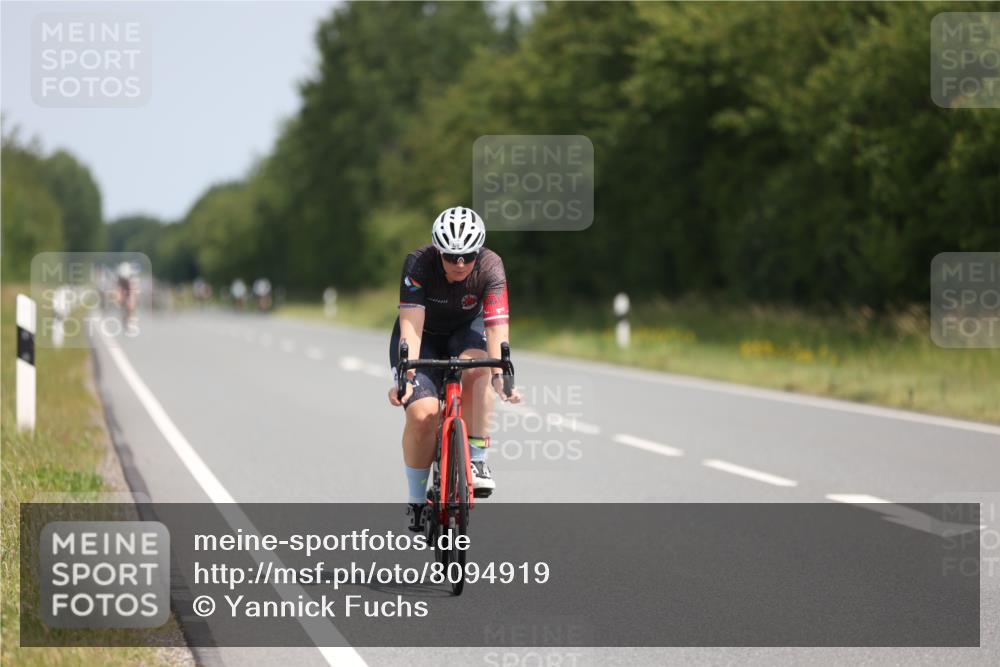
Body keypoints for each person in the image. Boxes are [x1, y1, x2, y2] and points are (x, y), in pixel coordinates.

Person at [387, 206, 521, 531]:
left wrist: (502, 377)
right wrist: (405, 376)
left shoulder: (491, 266)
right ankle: (416, 499)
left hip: (467, 330)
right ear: (438, 252)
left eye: (467, 256)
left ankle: (477, 462)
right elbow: (412, 327)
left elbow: (496, 327)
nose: (460, 264)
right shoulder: (419, 264)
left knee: (479, 372)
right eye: (450, 257)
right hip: (425, 334)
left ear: (479, 252)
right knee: (423, 415)